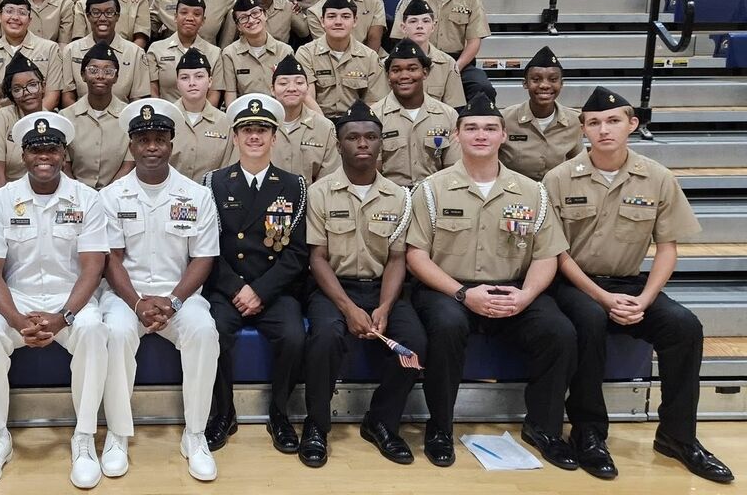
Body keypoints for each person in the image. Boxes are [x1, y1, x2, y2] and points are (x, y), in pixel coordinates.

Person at [543, 87, 734, 483]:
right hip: (574, 285)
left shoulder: (657, 177)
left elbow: (667, 248)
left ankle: (678, 436)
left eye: (614, 121)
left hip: (632, 284)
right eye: (594, 122)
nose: (604, 129)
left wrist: (644, 299)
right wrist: (602, 296)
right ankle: (589, 431)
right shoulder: (559, 178)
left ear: (632, 124)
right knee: (590, 321)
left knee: (684, 326)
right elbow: (557, 252)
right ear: (584, 130)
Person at [405, 95, 576, 470]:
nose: (480, 135)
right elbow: (415, 255)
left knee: (559, 331)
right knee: (446, 328)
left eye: (489, 128)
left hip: (513, 286)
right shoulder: (431, 190)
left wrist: (526, 295)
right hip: (449, 288)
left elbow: (546, 254)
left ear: (503, 135)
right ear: (456, 136)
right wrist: (463, 294)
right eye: (471, 128)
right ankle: (439, 427)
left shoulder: (533, 191)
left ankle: (543, 428)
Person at [0, 112, 110, 489]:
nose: (43, 156)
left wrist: (64, 316)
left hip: (71, 303)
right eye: (34, 149)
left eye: (51, 148)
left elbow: (93, 267)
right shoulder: (0, 200)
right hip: (16, 302)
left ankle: (83, 438)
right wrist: (16, 320)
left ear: (64, 153)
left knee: (95, 332)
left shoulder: (88, 199)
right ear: (23, 154)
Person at [98, 98, 220, 481]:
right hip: (124, 296)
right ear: (131, 146)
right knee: (114, 333)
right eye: (143, 139)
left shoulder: (196, 195)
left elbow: (203, 259)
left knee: (204, 332)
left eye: (160, 139)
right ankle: (118, 434)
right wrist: (135, 302)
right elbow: (111, 258)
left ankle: (195, 434)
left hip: (178, 296)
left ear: (172, 143)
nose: (152, 146)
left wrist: (173, 300)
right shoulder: (111, 196)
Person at [302, 100, 423, 468]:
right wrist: (348, 308)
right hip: (333, 288)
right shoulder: (321, 192)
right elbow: (317, 258)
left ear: (381, 143)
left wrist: (385, 307)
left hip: (382, 288)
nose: (363, 144)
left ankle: (381, 422)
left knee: (413, 345)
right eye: (352, 137)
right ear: (339, 145)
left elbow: (398, 258)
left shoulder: (400, 196)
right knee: (324, 337)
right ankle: (317, 425)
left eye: (371, 136)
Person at [201, 94, 308, 455]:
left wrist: (260, 290)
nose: (254, 136)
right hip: (227, 285)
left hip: (274, 287)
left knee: (294, 336)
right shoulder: (213, 183)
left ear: (275, 137)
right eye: (247, 129)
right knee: (212, 333)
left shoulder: (294, 185)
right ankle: (222, 413)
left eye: (262, 129)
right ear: (234, 137)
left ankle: (279, 415)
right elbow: (207, 248)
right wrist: (236, 288)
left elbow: (296, 253)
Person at [390, 0, 494, 104]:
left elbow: (474, 42)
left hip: (459, 62)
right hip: (418, 60)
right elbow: (399, 39)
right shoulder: (410, 0)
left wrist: (455, 67)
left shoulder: (471, 0)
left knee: (482, 88)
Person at [374, 38, 461, 187]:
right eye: (396, 70)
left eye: (412, 69)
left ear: (425, 73)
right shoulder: (375, 116)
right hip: (391, 197)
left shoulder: (448, 115)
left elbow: (453, 170)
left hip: (435, 196)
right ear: (388, 76)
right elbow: (373, 173)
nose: (404, 75)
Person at [0, 0, 63, 119]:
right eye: (9, 11)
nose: (15, 17)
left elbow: (52, 96)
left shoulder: (49, 49)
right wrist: (5, 124)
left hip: (40, 120)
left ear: (29, 20)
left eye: (22, 13)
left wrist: (30, 121)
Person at [295, 0, 385, 118]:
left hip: (357, 122)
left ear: (355, 21)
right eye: (331, 16)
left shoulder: (369, 57)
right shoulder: (306, 53)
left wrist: (353, 126)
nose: (338, 22)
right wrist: (326, 129)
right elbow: (307, 97)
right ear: (322, 21)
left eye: (345, 16)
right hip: (318, 120)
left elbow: (374, 101)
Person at [499, 47, 583, 181]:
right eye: (536, 79)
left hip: (557, 190)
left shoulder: (575, 120)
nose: (544, 85)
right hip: (515, 192)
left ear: (562, 84)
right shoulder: (504, 119)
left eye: (553, 79)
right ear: (525, 84)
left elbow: (578, 162)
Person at [0, 52, 49, 193]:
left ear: (43, 86)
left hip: (31, 194)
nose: (26, 93)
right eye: (17, 89)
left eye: (32, 85)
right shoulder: (2, 117)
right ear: (11, 94)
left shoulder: (52, 120)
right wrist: (4, 209)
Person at [61, 43, 135, 190]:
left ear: (116, 78)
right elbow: (65, 166)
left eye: (108, 71)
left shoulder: (130, 117)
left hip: (118, 194)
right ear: (83, 75)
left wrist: (108, 194)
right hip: (76, 195)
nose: (100, 76)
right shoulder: (66, 117)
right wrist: (83, 195)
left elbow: (129, 165)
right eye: (93, 70)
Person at [62, 0, 152, 103]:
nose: (103, 18)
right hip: (80, 118)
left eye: (109, 12)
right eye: (96, 12)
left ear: (117, 17)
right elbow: (68, 96)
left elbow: (138, 99)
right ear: (88, 16)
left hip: (122, 117)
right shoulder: (71, 50)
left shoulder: (135, 53)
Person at [269, 55, 339, 183]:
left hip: (311, 200)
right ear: (272, 89)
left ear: (307, 88)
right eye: (283, 83)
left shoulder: (324, 127)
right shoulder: (260, 125)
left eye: (299, 83)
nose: (291, 88)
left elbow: (329, 178)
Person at [215, 0, 294, 106]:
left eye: (255, 13)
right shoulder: (229, 54)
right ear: (238, 27)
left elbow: (288, 93)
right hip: (244, 114)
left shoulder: (285, 51)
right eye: (243, 18)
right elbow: (230, 93)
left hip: (278, 112)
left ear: (265, 15)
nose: (251, 20)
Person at [146, 0, 223, 102]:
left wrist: (201, 118)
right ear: (175, 17)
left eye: (197, 14)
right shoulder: (156, 49)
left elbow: (214, 93)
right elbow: (153, 90)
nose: (190, 18)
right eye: (184, 12)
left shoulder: (214, 53)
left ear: (203, 21)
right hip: (167, 115)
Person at [170, 48, 236, 181]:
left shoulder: (225, 123)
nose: (192, 83)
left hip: (211, 196)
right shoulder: (165, 118)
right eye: (184, 78)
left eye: (199, 76)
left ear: (210, 81)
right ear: (177, 83)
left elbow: (227, 169)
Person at [396, 0, 465, 108]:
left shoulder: (448, 64)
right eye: (413, 21)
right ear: (403, 27)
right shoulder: (388, 65)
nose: (419, 26)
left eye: (426, 21)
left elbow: (455, 108)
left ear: (433, 26)